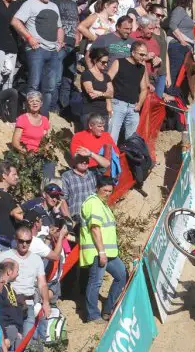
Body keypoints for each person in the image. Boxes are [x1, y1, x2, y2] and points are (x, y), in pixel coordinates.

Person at [0, 226, 52, 352]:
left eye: (28, 241)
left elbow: (42, 284)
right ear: (15, 239)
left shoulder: (36, 259)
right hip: (8, 304)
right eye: (21, 241)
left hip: (27, 304)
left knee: (25, 343)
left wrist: (46, 303)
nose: (24, 244)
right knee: (9, 342)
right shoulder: (3, 257)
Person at [11, 0, 65, 115]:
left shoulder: (54, 6)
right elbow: (15, 21)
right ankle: (29, 115)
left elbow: (59, 27)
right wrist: (29, 38)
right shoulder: (30, 4)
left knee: (50, 87)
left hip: (52, 51)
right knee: (34, 84)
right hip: (36, 49)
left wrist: (59, 42)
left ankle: (44, 117)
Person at [80, 176, 127, 323]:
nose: (107, 193)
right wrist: (101, 252)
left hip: (110, 252)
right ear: (97, 188)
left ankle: (108, 310)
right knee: (96, 282)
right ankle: (92, 315)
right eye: (104, 190)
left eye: (110, 191)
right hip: (97, 251)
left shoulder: (102, 204)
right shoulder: (93, 203)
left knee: (122, 276)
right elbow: (95, 228)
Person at [107, 40, 148, 143]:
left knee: (132, 140)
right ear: (133, 52)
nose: (143, 57)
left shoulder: (141, 68)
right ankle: (109, 159)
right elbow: (107, 80)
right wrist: (109, 101)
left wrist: (139, 104)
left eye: (145, 55)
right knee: (112, 136)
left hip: (133, 107)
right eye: (141, 54)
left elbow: (144, 88)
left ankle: (127, 158)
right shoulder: (119, 62)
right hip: (117, 103)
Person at [61, 150, 104, 221]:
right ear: (75, 161)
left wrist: (91, 154)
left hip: (93, 215)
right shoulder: (67, 176)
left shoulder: (92, 174)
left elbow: (106, 165)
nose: (84, 162)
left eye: (86, 159)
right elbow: (63, 199)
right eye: (81, 159)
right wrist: (69, 220)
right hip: (77, 217)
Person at [0, 162, 23, 243]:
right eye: (14, 174)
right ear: (4, 176)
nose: (17, 177)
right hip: (0, 242)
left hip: (8, 241)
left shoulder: (5, 195)